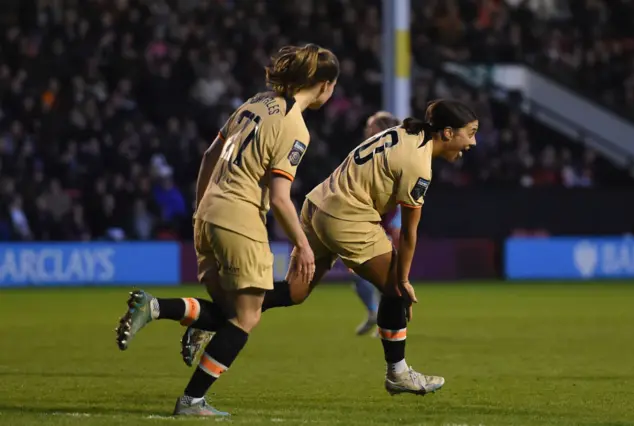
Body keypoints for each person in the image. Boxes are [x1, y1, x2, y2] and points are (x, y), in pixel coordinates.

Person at [180, 99, 478, 397]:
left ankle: (217, 314)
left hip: (318, 205)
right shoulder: (419, 164)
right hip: (347, 217)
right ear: (448, 133)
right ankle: (398, 373)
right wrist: (402, 280)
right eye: (471, 133)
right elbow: (410, 233)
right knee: (396, 292)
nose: (473, 142)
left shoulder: (406, 133)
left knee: (295, 292)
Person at [114, 44, 339, 417]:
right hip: (240, 216)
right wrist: (304, 245)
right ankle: (192, 401)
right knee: (246, 318)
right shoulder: (296, 128)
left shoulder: (254, 103)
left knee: (229, 311)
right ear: (325, 86)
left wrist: (202, 208)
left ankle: (154, 307)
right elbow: (282, 199)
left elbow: (208, 157)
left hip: (208, 214)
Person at [353, 112, 401, 336]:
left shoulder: (394, 155)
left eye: (371, 126)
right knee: (358, 274)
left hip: (389, 221)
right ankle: (375, 314)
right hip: (366, 219)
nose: (367, 130)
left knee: (384, 275)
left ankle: (387, 322)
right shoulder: (365, 154)